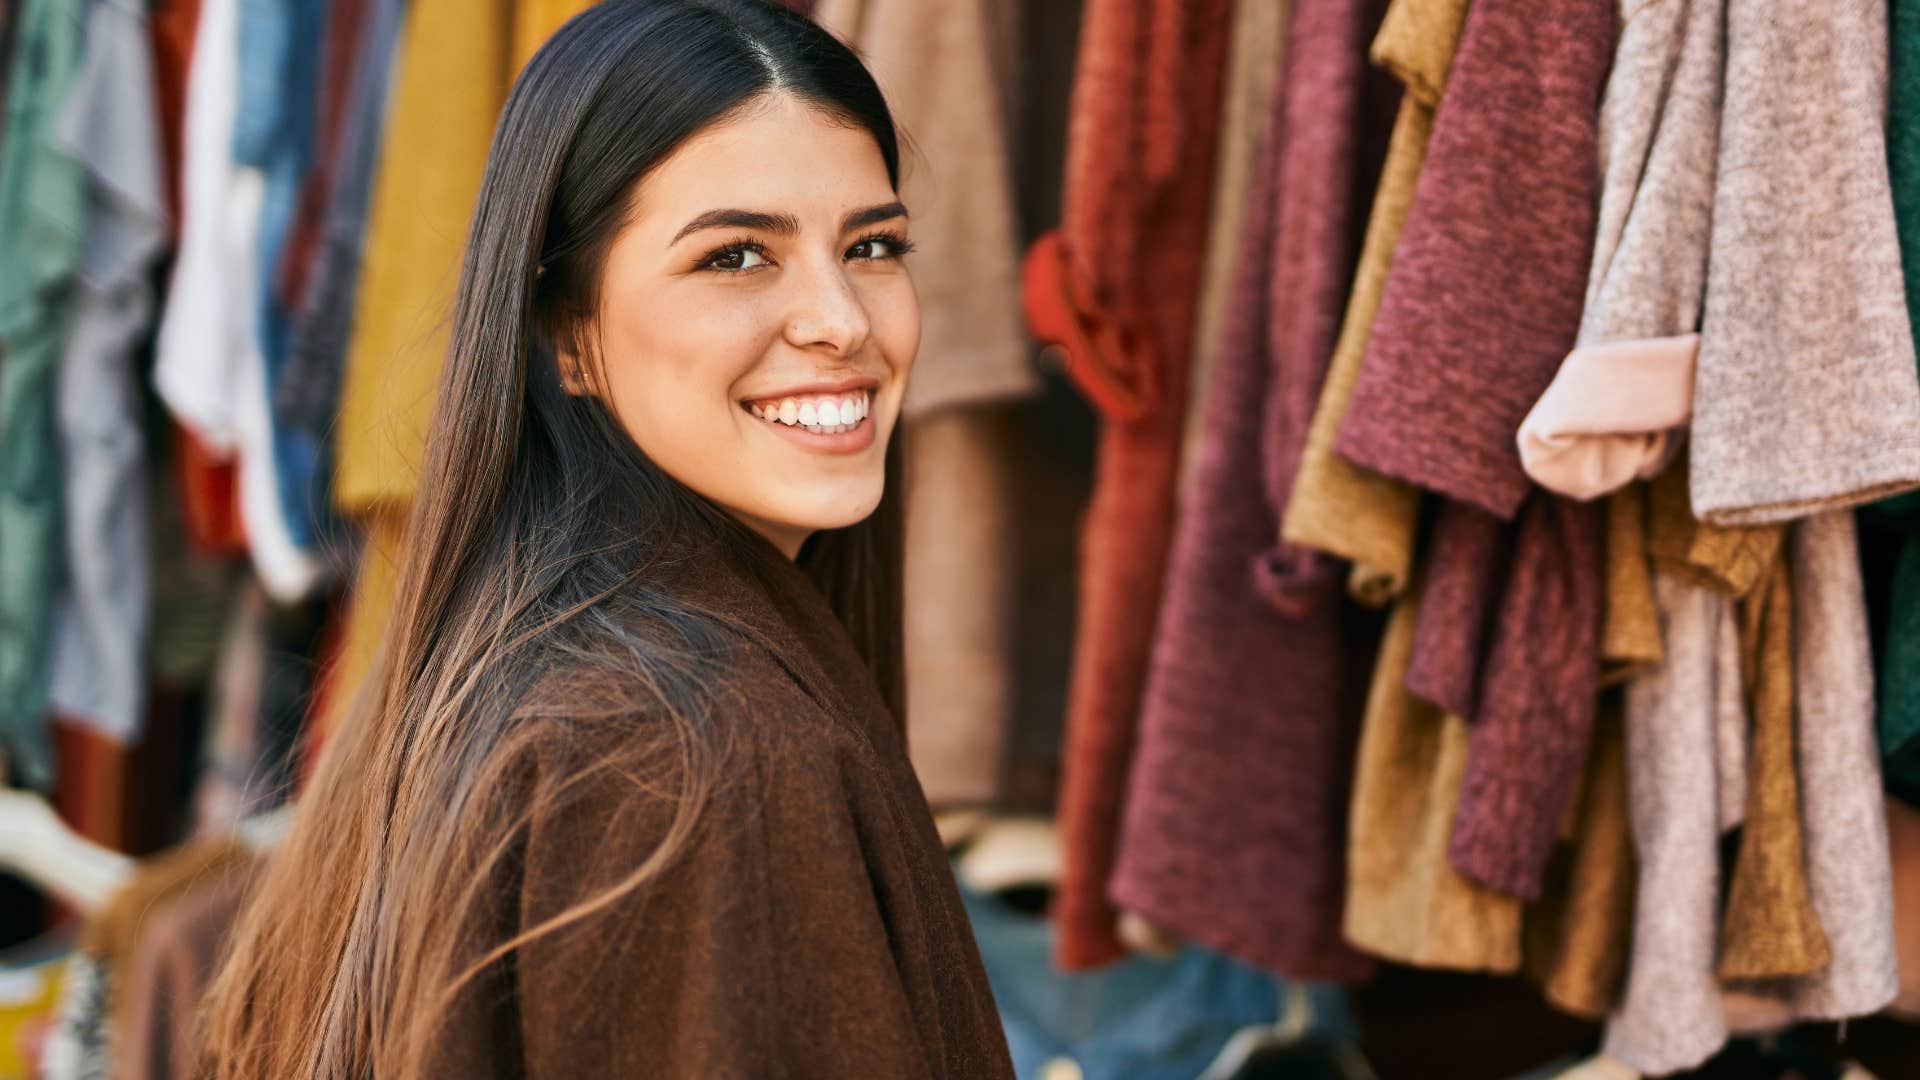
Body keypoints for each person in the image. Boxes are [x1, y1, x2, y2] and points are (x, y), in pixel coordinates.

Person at [195, 2, 1016, 1074]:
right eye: (735, 257)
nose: (844, 319)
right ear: (564, 331)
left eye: (872, 245)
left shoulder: (539, 674)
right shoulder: (687, 747)